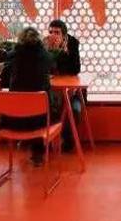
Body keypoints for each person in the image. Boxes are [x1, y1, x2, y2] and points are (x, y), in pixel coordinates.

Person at [0, 27, 57, 166]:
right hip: (41, 122)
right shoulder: (45, 56)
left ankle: (24, 142)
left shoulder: (13, 56)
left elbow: (4, 77)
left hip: (13, 121)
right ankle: (40, 150)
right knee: (53, 103)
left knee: (25, 104)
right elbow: (53, 65)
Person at [43, 19, 81, 151]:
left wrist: (61, 53)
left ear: (64, 35)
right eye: (51, 32)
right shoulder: (45, 44)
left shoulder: (72, 43)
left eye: (57, 32)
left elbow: (75, 69)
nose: (53, 35)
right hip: (52, 88)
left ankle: (68, 141)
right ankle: (44, 141)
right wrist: (50, 52)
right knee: (46, 105)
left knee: (74, 109)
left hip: (70, 89)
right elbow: (44, 68)